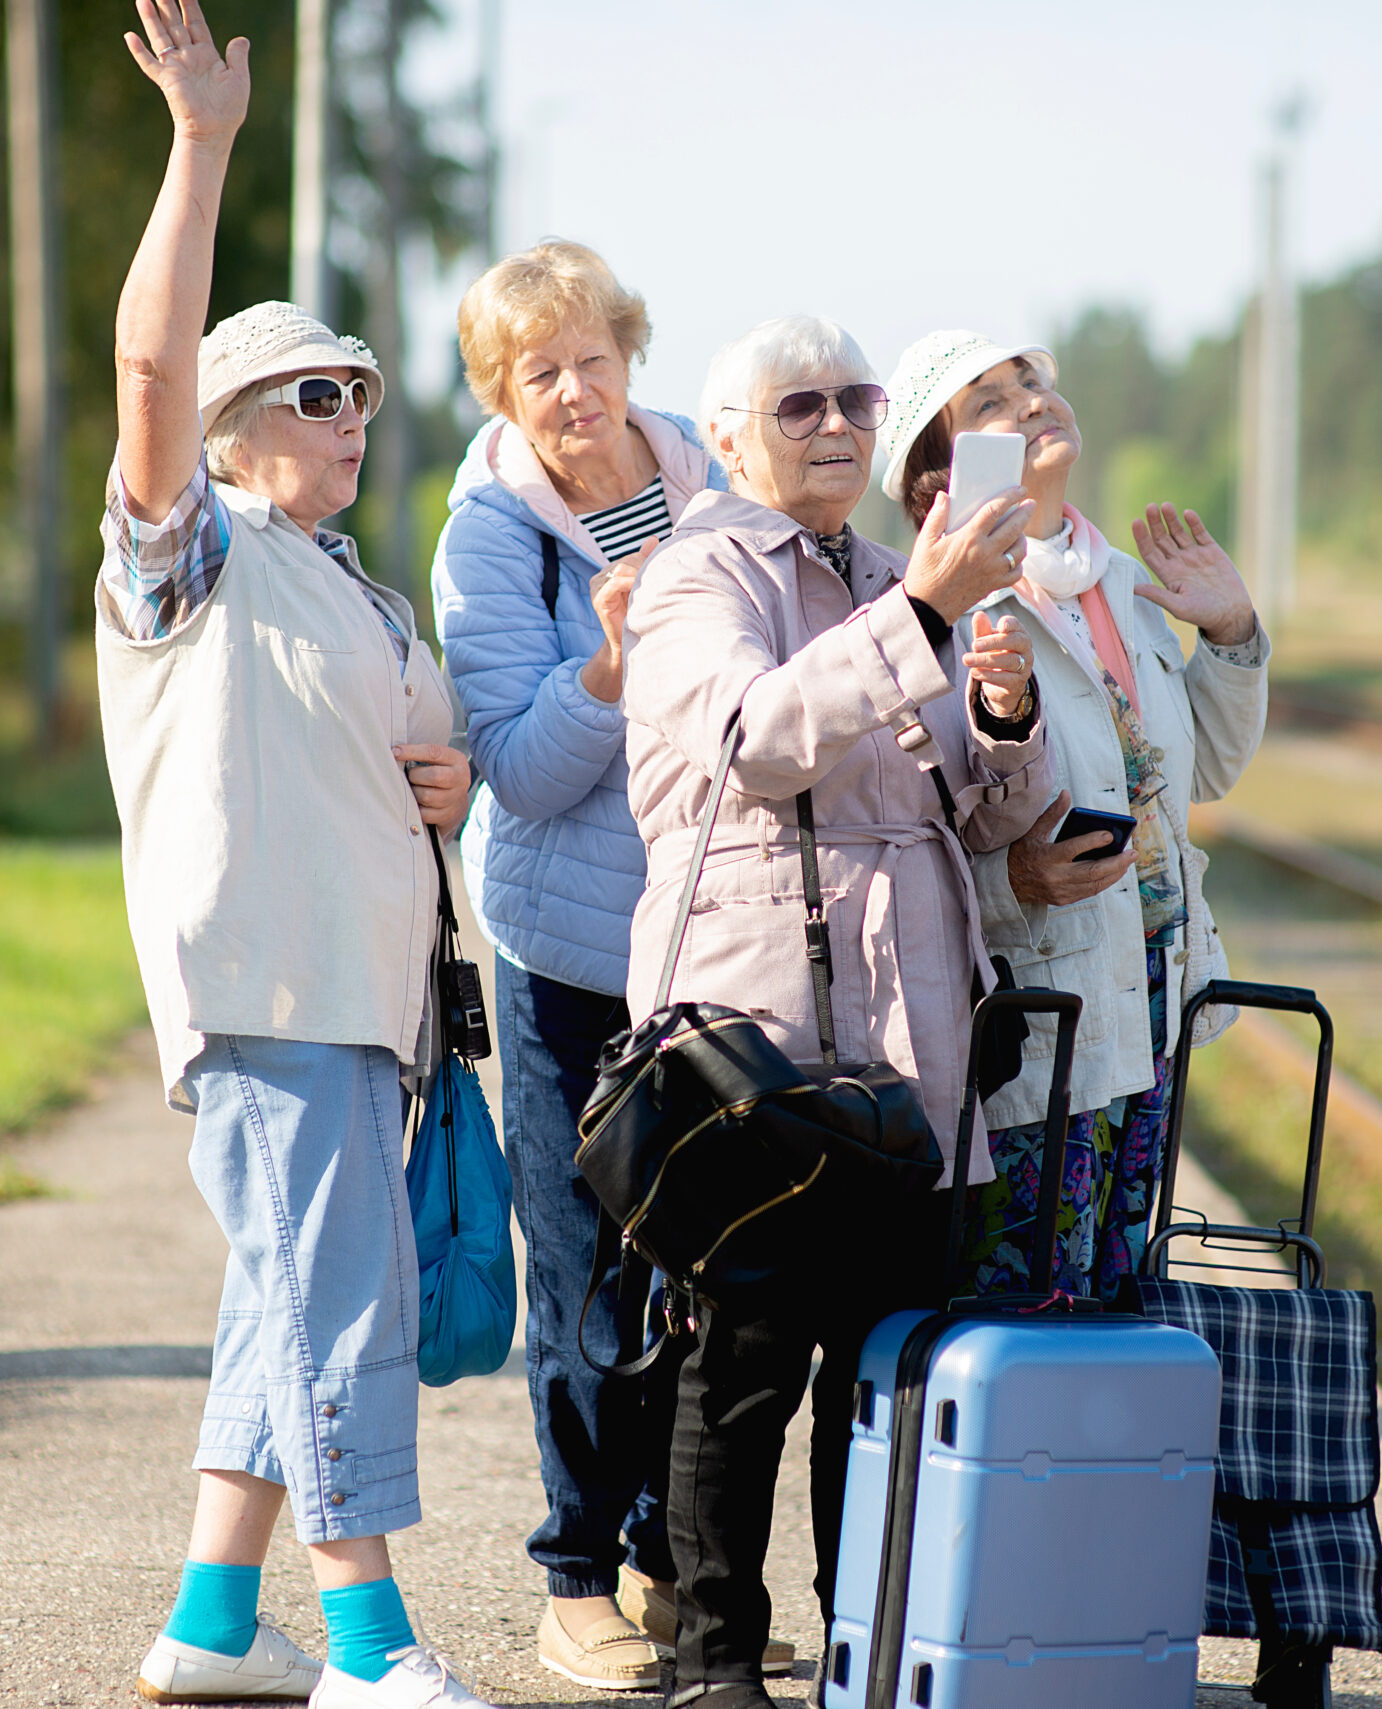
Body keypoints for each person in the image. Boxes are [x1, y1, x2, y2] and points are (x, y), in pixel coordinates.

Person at [96, 2, 486, 1703]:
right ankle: (367, 1650)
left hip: (357, 1001)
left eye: (363, 393)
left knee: (285, 1303)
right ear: (238, 420)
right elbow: (147, 370)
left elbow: (371, 764)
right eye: (320, 392)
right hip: (269, 982)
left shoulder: (352, 582)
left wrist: (440, 790)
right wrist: (202, 145)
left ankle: (208, 1620)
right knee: (339, 1319)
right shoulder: (193, 554)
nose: (354, 415)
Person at [617, 315, 1052, 1709]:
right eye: (796, 403)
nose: (836, 424)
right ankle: (716, 1661)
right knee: (740, 1362)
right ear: (732, 439)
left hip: (913, 1030)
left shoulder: (892, 574)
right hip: (758, 1039)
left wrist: (1002, 704)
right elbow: (754, 739)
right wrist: (920, 617)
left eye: (856, 398)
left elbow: (990, 815)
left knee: (884, 1363)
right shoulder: (701, 573)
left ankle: (867, 1638)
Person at [430, 242, 782, 1694]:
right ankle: (575, 1575)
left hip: (711, 944)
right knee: (581, 1268)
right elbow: (509, 760)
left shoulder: (719, 480)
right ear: (504, 397)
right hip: (570, 952)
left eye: (592, 359)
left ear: (631, 354)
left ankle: (657, 1549)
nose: (573, 393)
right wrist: (610, 671)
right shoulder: (489, 538)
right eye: (537, 374)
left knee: (695, 1267)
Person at [874, 330, 1268, 1302]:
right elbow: (901, 832)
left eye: (1032, 380)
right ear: (938, 477)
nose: (1031, 401)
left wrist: (1229, 631)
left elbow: (1199, 772)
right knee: (1025, 1308)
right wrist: (1014, 887)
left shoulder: (1121, 589)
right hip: (1032, 1013)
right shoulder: (938, 615)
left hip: (1154, 1000)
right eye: (989, 402)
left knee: (1119, 1296)